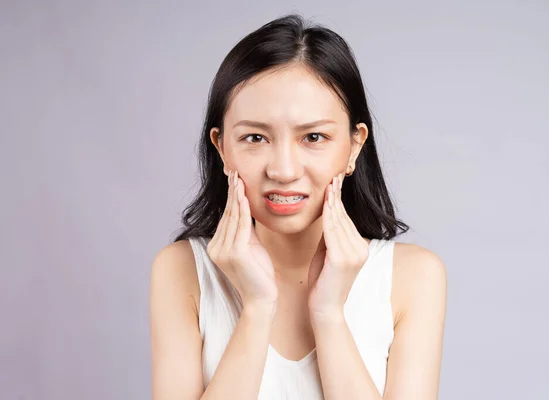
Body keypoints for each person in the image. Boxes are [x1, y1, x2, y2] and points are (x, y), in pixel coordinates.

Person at [150, 13, 447, 400]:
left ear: (355, 145)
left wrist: (328, 314)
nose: (284, 170)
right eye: (255, 137)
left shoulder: (413, 277)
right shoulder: (182, 271)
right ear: (222, 148)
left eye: (314, 136)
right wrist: (257, 307)